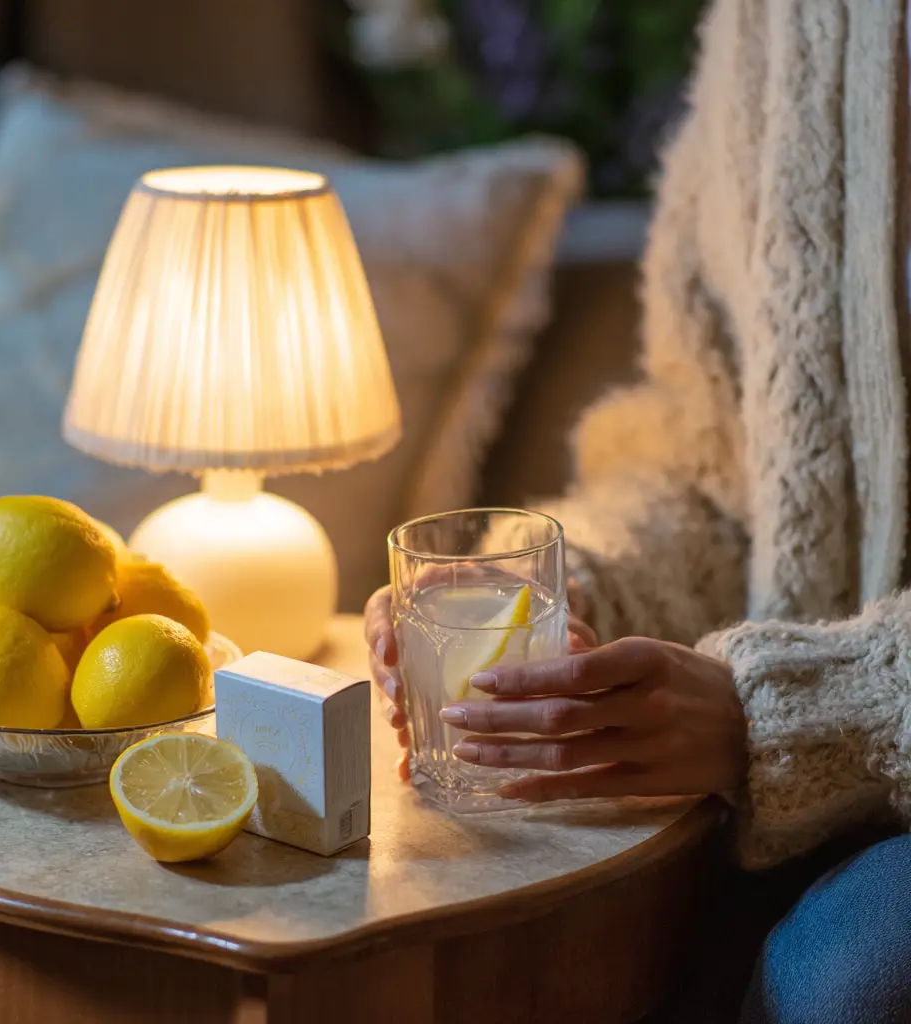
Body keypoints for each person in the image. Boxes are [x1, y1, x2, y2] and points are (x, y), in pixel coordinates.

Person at [364, 1, 911, 1020]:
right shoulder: (783, 26)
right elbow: (708, 464)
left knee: (852, 975)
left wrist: (785, 716)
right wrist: (569, 599)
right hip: (782, 804)